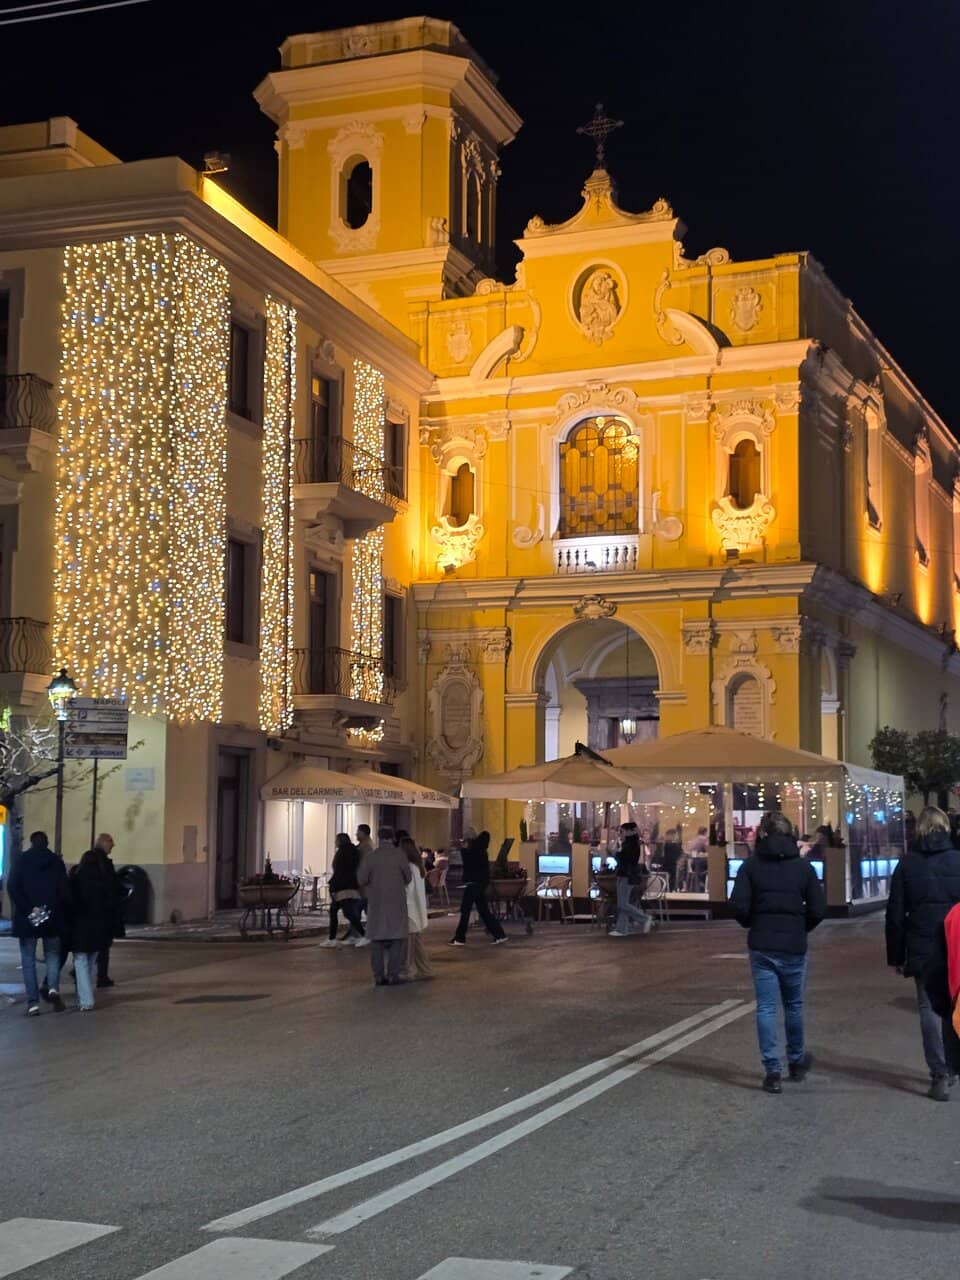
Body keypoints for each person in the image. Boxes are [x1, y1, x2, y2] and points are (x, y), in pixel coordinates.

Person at [731, 811, 826, 1094]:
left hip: (762, 945)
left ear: (762, 834)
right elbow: (819, 909)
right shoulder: (803, 868)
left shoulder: (750, 867)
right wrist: (802, 927)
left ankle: (772, 1069)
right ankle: (796, 1061)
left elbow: (738, 905)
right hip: (794, 945)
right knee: (794, 1005)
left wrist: (752, 923)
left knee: (767, 1007)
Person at [886, 805, 960, 1100]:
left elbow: (894, 914)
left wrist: (895, 955)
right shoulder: (958, 861)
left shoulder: (906, 864)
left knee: (929, 1009)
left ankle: (939, 1074)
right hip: (956, 943)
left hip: (922, 946)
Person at [8, 831, 68, 1015]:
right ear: (47, 842)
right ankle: (52, 987)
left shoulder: (22, 860)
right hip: (52, 917)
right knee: (52, 955)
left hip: (28, 918)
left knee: (28, 960)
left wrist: (29, 909)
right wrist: (52, 909)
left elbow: (13, 886)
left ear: (31, 843)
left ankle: (33, 1003)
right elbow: (63, 890)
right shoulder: (56, 862)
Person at [356, 825, 412, 986]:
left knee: (377, 941)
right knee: (396, 940)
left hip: (376, 903)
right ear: (392, 837)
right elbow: (408, 877)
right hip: (396, 903)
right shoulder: (399, 855)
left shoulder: (371, 857)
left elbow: (361, 879)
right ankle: (393, 974)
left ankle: (379, 976)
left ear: (379, 837)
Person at [70, 848, 121, 1011]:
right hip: (100, 928)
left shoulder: (75, 879)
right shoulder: (105, 881)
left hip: (81, 928)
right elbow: (112, 904)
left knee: (81, 962)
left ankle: (85, 1000)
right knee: (89, 962)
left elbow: (70, 903)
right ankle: (83, 997)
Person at [449, 830, 506, 946]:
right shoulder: (483, 852)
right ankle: (499, 935)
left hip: (472, 884)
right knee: (484, 911)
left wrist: (464, 849)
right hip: (481, 884)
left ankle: (460, 938)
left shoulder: (470, 851)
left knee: (465, 910)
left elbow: (467, 864)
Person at [320, 833, 366, 949]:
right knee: (344, 911)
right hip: (351, 885)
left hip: (341, 886)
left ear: (340, 841)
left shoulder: (341, 853)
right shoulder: (354, 852)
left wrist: (334, 886)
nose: (335, 842)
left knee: (343, 912)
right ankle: (334, 937)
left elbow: (338, 870)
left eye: (336, 840)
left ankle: (362, 934)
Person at [91, 832, 125, 987]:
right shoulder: (102, 862)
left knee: (99, 944)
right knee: (102, 944)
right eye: (111, 841)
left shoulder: (94, 860)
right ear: (104, 842)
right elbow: (110, 885)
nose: (113, 845)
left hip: (98, 911)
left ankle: (100, 975)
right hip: (103, 911)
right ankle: (101, 976)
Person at [609, 823, 652, 938]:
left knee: (623, 903)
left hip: (627, 875)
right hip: (625, 874)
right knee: (623, 903)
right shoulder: (630, 843)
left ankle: (644, 918)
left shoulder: (631, 844)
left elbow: (626, 858)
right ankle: (622, 929)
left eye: (622, 831)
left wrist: (616, 853)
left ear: (629, 832)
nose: (620, 834)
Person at [400, 835, 433, 980]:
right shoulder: (419, 867)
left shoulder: (408, 868)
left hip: (409, 910)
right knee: (417, 943)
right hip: (418, 910)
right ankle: (425, 970)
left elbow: (407, 889)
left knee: (407, 945)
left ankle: (406, 971)